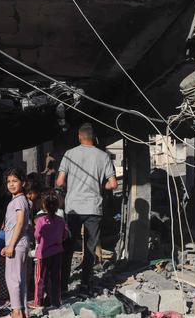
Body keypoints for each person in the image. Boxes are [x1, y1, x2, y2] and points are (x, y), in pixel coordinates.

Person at [56, 123, 117, 294]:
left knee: (67, 248)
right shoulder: (103, 156)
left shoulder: (69, 154)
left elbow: (59, 182)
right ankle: (85, 285)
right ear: (93, 138)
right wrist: (99, 184)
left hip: (73, 209)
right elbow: (113, 184)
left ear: (79, 137)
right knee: (90, 249)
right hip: (93, 208)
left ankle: (62, 287)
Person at [1, 168, 30, 318]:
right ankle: (23, 311)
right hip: (20, 243)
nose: (11, 184)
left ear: (23, 183)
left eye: (15, 181)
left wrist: (11, 245)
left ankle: (16, 312)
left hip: (17, 244)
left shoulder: (18, 200)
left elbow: (19, 223)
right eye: (9, 181)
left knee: (12, 279)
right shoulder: (20, 199)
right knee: (20, 278)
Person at [32, 192, 68, 308]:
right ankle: (56, 301)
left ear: (44, 205)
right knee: (55, 278)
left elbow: (37, 235)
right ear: (57, 206)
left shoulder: (41, 221)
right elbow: (65, 235)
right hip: (57, 252)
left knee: (40, 278)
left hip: (43, 254)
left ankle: (38, 301)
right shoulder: (61, 220)